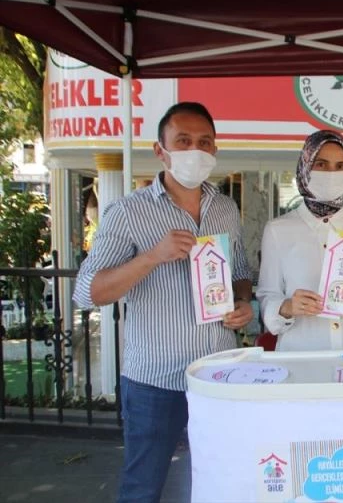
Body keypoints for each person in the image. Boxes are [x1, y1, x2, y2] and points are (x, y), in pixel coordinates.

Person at [73, 102, 254, 503]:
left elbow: (239, 270)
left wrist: (243, 302)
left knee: (221, 480)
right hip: (156, 381)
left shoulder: (225, 208)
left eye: (204, 142)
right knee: (143, 486)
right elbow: (87, 291)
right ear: (161, 150)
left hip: (218, 374)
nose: (195, 151)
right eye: (183, 141)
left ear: (215, 150)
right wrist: (152, 256)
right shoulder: (128, 212)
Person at [256, 130, 343, 350]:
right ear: (305, 166)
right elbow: (267, 295)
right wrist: (287, 307)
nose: (331, 173)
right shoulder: (278, 230)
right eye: (321, 164)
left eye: (340, 166)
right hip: (302, 352)